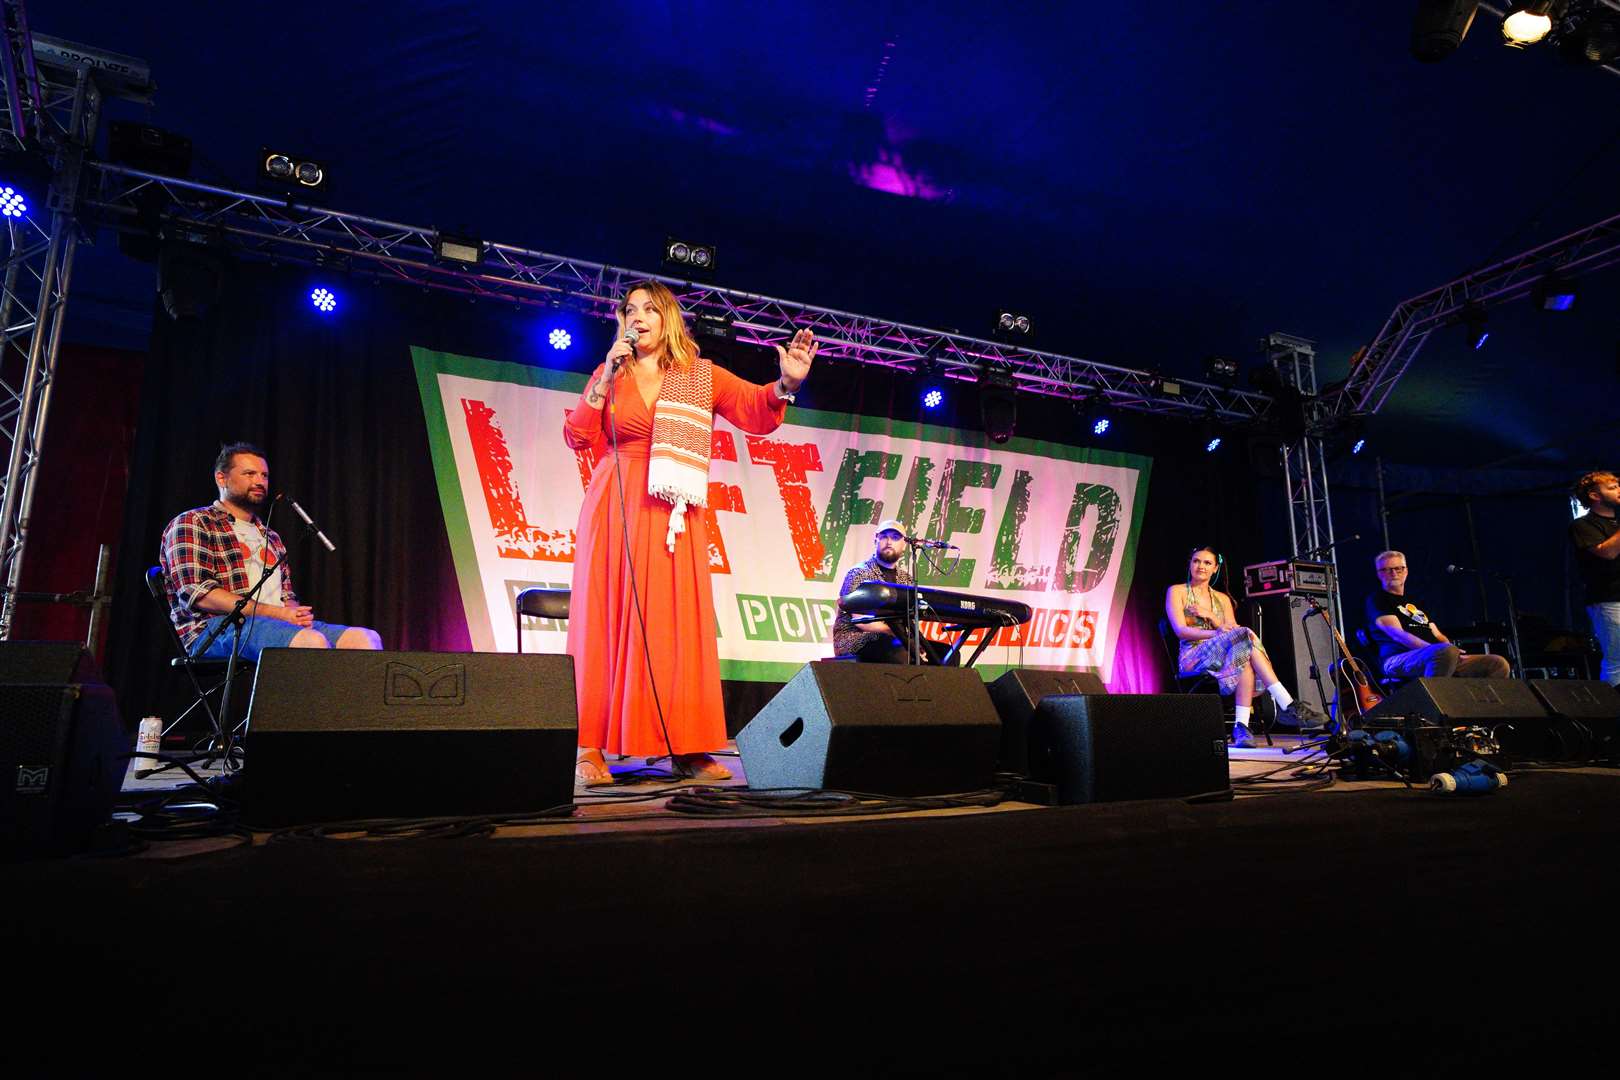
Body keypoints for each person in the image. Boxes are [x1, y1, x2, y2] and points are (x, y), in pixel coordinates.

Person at [564, 281, 815, 787]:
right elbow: (579, 434)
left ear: (668, 319)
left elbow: (754, 407)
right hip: (615, 505)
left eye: (649, 310)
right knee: (605, 617)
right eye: (629, 310)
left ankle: (686, 745)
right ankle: (589, 745)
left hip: (673, 510)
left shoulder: (700, 375)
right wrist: (605, 376)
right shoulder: (612, 371)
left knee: (675, 624)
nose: (637, 318)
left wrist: (786, 384)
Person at [159, 443, 383, 661]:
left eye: (264, 475)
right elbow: (199, 593)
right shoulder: (193, 522)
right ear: (221, 478)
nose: (259, 481)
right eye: (249, 473)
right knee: (311, 642)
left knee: (365, 639)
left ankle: (340, 700)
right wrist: (279, 614)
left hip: (276, 623)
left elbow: (286, 597)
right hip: (217, 628)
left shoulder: (271, 536)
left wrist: (295, 614)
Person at [1165, 546, 1328, 748]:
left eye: (1207, 563)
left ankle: (1241, 727)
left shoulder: (1222, 599)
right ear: (1190, 564)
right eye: (1196, 561)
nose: (1201, 566)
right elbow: (1181, 631)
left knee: (1245, 656)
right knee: (1245, 635)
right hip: (1193, 657)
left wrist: (1211, 615)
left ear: (1215, 568)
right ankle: (1286, 703)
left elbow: (1231, 630)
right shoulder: (1177, 591)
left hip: (1226, 656)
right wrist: (1217, 633)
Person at [1365, 550, 1510, 680]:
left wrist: (1452, 651)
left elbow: (1438, 634)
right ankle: (1433, 707)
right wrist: (1435, 650)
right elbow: (1397, 634)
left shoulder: (1415, 603)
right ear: (1379, 574)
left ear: (1406, 571)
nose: (1394, 573)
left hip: (1437, 655)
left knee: (1497, 664)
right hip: (1397, 659)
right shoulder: (1377, 600)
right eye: (1387, 569)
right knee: (1445, 653)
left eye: (1398, 568)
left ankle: (1478, 708)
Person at [831, 519, 957, 665]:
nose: (889, 541)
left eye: (895, 538)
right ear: (875, 540)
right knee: (898, 651)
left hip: (898, 638)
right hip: (856, 638)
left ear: (904, 545)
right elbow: (862, 621)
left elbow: (912, 619)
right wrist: (904, 638)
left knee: (948, 654)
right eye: (884, 536)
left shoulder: (907, 579)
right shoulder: (859, 573)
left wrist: (916, 643)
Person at [1570, 471, 1620, 685]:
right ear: (1594, 496)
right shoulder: (1583, 525)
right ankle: (1612, 711)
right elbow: (1607, 553)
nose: (1619, 490)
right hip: (1610, 599)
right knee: (1617, 661)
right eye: (1612, 488)